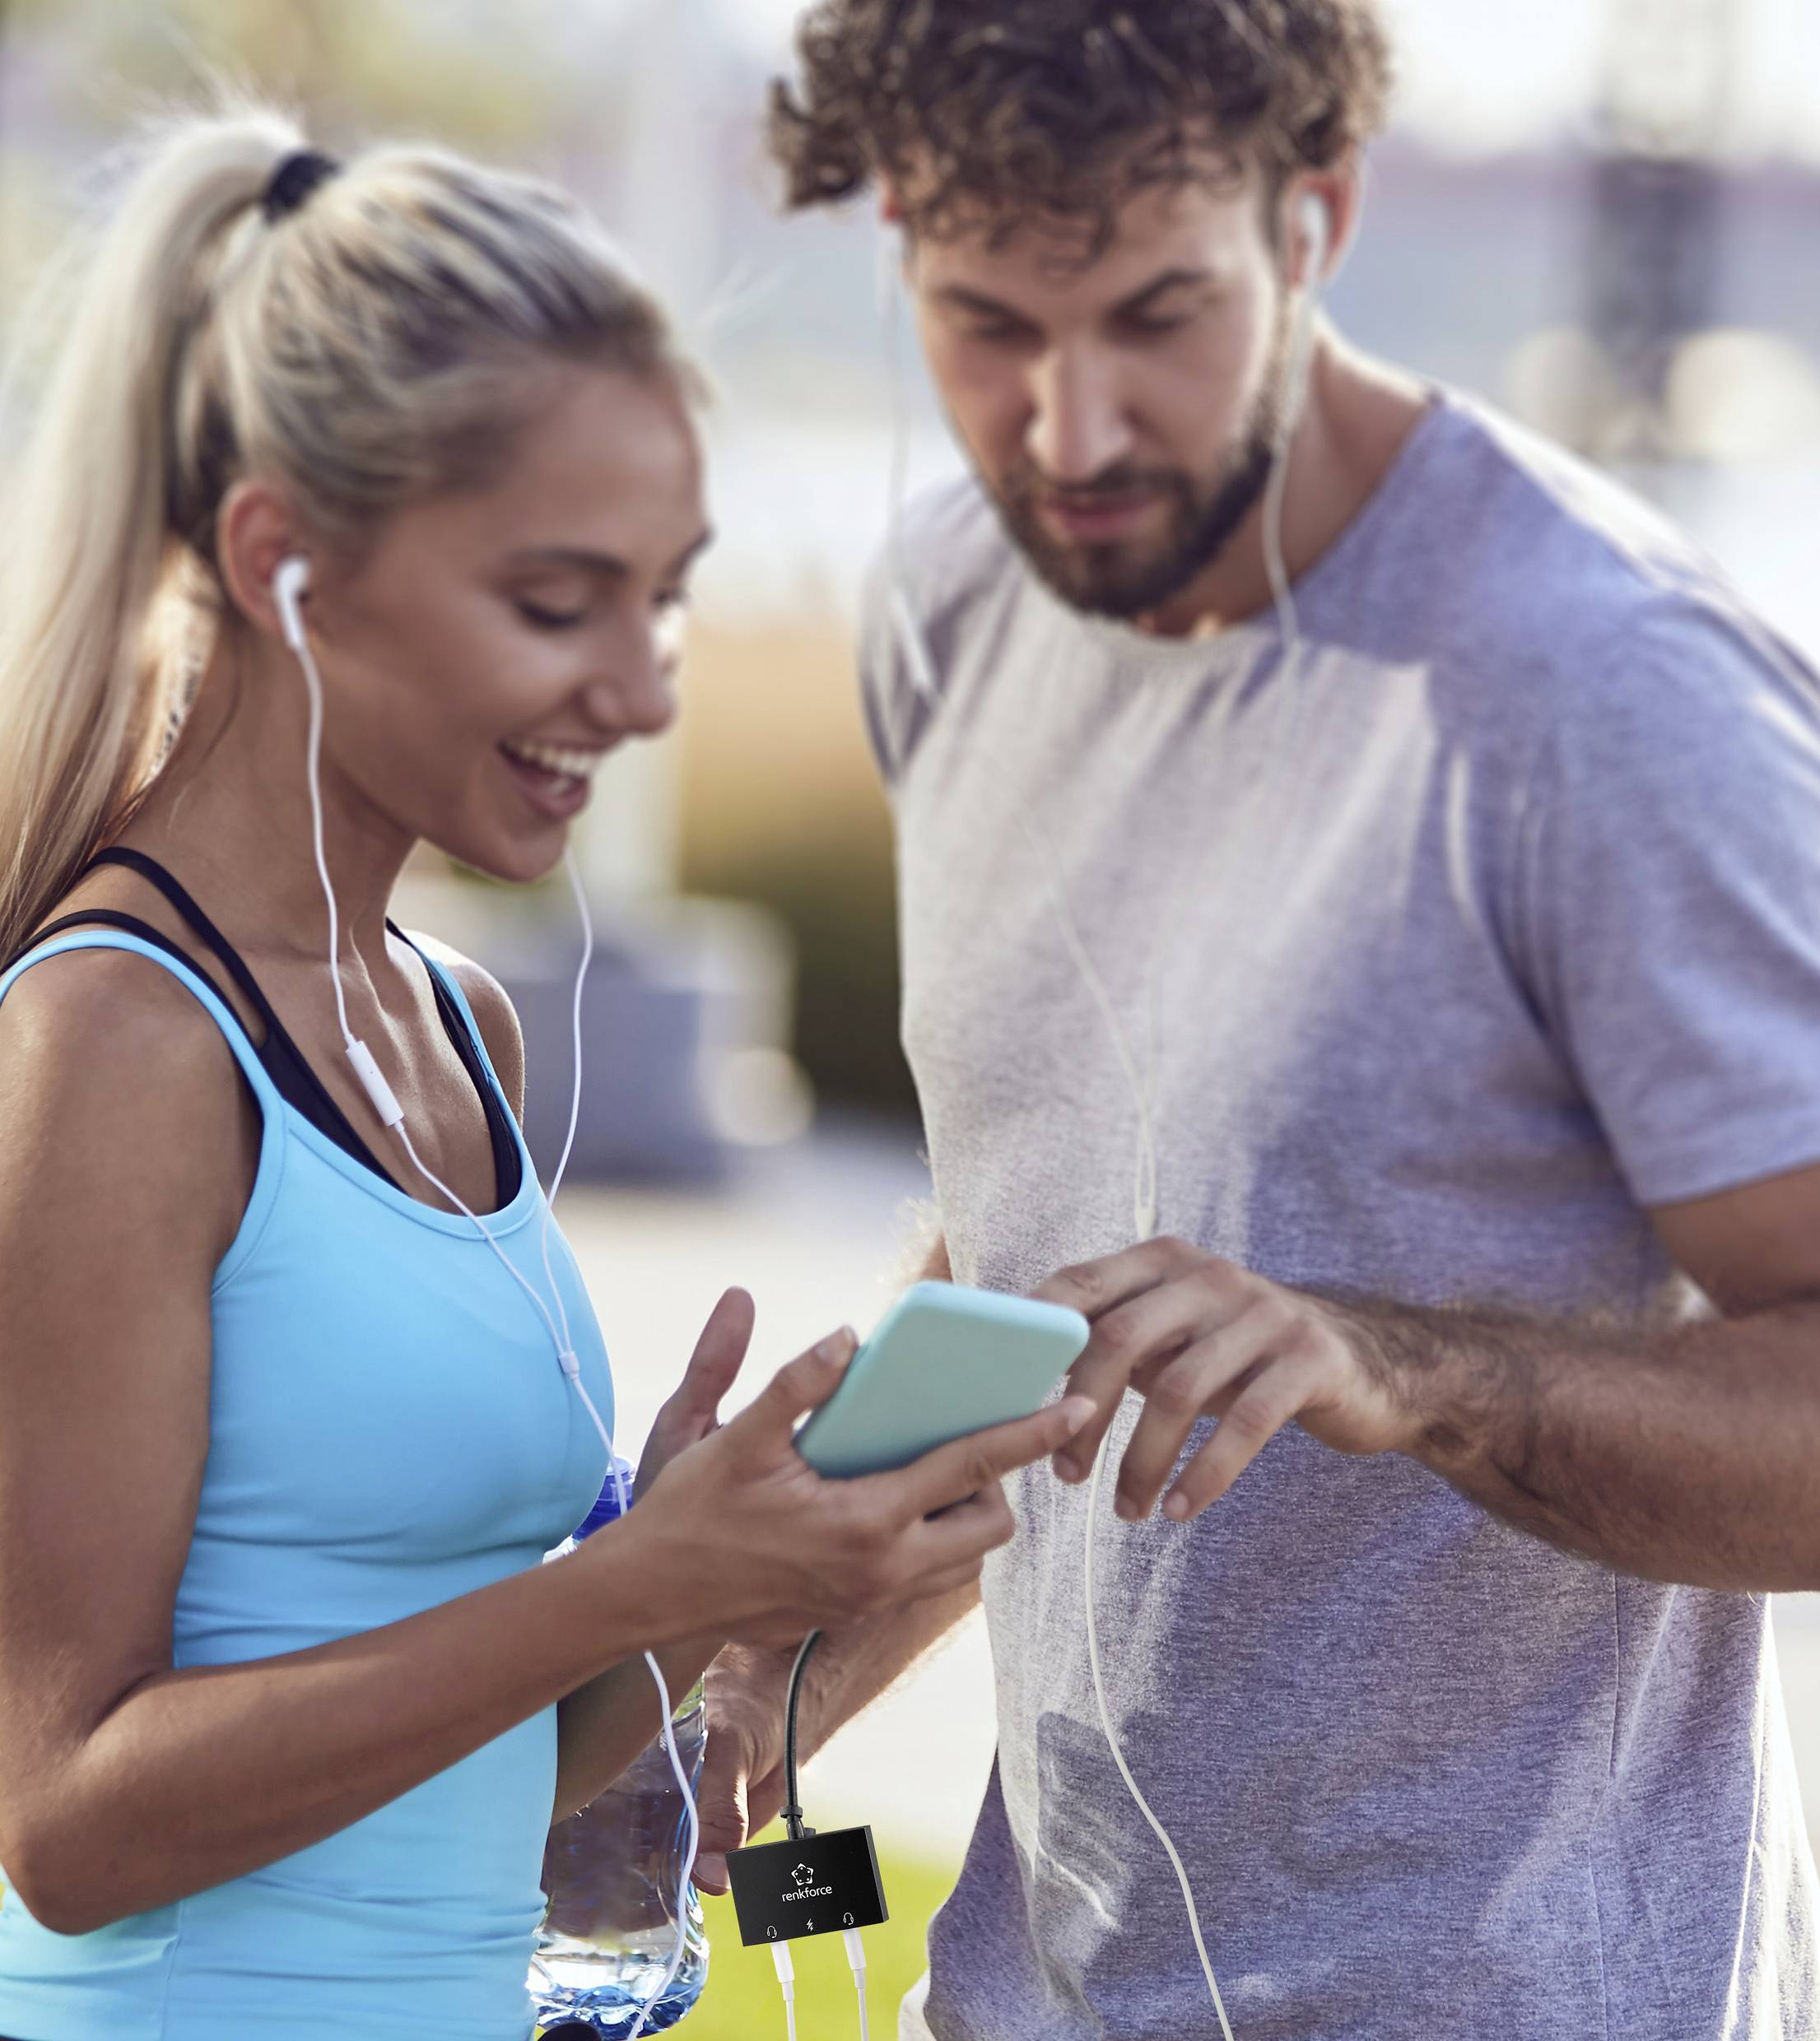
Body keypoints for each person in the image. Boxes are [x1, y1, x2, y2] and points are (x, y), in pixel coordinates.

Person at [696, 3, 1820, 2036]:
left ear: (1314, 218)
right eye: (985, 328)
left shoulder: (1603, 699)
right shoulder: (955, 606)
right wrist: (779, 1669)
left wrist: (1409, 1371)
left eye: (1154, 315)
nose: (1071, 433)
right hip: (1031, 1992)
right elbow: (1048, 1249)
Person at [0, 105, 1095, 2041]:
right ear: (286, 567)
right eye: (557, 599)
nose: (652, 686)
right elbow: (67, 1825)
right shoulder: (115, 1041)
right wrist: (620, 1587)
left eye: (665, 596)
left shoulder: (456, 1027)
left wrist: (710, 1576)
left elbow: (498, 1761)